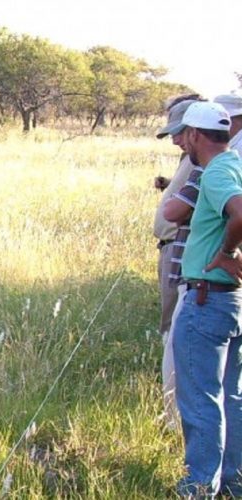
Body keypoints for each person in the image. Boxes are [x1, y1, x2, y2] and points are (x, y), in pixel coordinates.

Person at [167, 101, 242, 497]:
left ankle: (199, 485)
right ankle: (233, 480)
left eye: (185, 136)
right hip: (231, 301)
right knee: (231, 395)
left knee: (200, 401)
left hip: (206, 299)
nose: (184, 143)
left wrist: (228, 252)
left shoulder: (215, 173)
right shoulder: (237, 165)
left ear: (195, 135)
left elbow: (240, 211)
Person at [153, 96, 202, 429]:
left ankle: (175, 418)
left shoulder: (210, 164)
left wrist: (228, 251)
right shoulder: (191, 159)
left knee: (176, 334)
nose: (174, 139)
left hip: (182, 252)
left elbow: (178, 209)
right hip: (172, 246)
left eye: (179, 131)